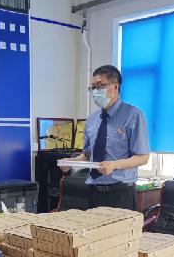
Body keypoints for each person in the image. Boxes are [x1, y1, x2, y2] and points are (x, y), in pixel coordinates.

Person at [60, 65, 150, 210]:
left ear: (115, 87)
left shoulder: (133, 115)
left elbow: (143, 157)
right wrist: (72, 162)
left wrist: (114, 165)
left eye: (100, 86)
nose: (95, 91)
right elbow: (88, 155)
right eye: (93, 87)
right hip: (94, 192)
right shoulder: (92, 119)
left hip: (121, 193)